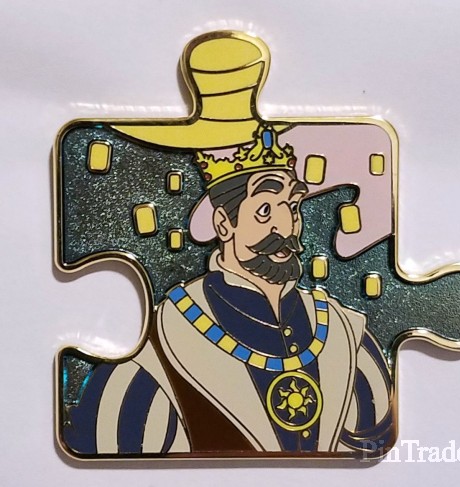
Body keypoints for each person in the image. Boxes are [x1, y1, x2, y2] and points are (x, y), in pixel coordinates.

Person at [63, 127, 393, 457]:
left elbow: (377, 448)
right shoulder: (158, 350)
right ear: (224, 224)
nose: (287, 226)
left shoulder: (345, 333)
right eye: (265, 210)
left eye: (292, 206)